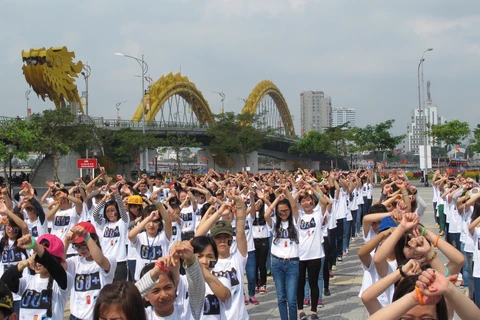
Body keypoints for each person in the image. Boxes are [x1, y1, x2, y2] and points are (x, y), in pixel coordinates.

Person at [1, 234, 74, 320]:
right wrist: (23, 263)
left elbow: (52, 265)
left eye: (40, 258)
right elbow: (4, 283)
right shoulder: (28, 280)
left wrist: (35, 245)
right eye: (35, 256)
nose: (37, 262)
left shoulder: (63, 280)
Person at [64, 222, 117, 320]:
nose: (81, 249)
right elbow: (60, 266)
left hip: (99, 316)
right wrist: (66, 242)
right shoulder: (75, 261)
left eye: (84, 245)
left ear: (95, 240)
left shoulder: (109, 259)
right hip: (76, 316)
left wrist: (86, 237)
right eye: (77, 246)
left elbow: (100, 261)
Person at [264, 192, 299, 320]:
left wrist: (288, 195)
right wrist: (276, 200)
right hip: (277, 263)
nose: (283, 213)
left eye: (285, 210)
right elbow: (266, 214)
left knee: (291, 299)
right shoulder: (274, 223)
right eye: (280, 211)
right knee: (281, 297)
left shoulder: (296, 222)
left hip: (292, 263)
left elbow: (295, 207)